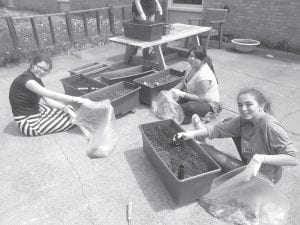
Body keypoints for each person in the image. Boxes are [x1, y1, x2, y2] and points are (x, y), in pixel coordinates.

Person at [176, 88, 298, 183]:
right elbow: (218, 129)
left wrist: (260, 158)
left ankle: (203, 143)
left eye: (249, 104)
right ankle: (201, 134)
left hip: (262, 178)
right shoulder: (243, 120)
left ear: (261, 105)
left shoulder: (270, 126)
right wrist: (191, 133)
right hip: (249, 161)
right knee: (229, 121)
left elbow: (293, 159)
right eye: (240, 105)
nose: (243, 109)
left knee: (202, 148)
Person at [9, 54, 91, 136]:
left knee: (69, 109)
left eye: (45, 70)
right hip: (29, 122)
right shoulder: (27, 81)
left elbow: (48, 99)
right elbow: (52, 95)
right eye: (39, 67)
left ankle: (63, 114)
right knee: (75, 119)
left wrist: (63, 107)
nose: (42, 71)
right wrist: (77, 99)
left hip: (37, 109)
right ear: (33, 64)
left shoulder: (35, 78)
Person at [170, 45, 221, 124]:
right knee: (171, 101)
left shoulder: (203, 76)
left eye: (196, 57)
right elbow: (182, 82)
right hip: (192, 96)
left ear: (202, 61)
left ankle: (196, 115)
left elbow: (200, 98)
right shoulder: (190, 67)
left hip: (208, 103)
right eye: (190, 56)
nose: (192, 59)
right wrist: (172, 91)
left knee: (189, 107)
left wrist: (182, 94)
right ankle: (186, 115)